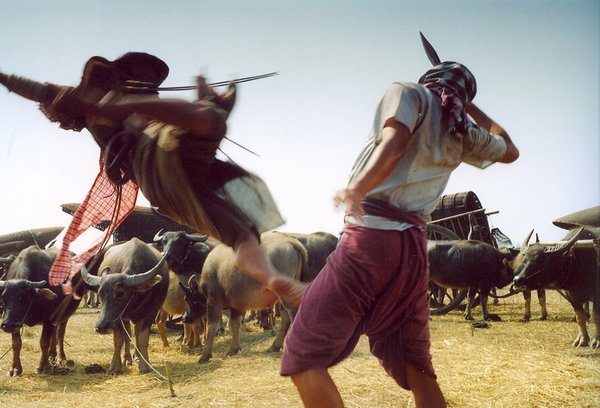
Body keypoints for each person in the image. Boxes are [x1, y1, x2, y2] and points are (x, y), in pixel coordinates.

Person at [279, 36, 519, 407]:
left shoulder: (408, 92)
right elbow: (510, 150)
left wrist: (358, 188)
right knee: (416, 366)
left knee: (303, 355)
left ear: (430, 80)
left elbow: (394, 142)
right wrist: (469, 107)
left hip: (370, 239)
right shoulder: (462, 131)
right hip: (413, 252)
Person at [0, 52, 306, 306]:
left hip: (180, 184)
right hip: (157, 161)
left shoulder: (104, 104)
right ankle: (209, 109)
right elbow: (34, 88)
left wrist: (213, 109)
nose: (149, 89)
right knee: (212, 122)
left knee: (243, 235)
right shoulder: (90, 100)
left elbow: (33, 89)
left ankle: (274, 278)